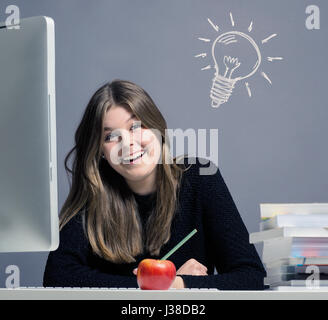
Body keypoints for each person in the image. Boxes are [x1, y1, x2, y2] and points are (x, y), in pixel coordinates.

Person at [43, 79, 266, 290]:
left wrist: (175, 285)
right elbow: (57, 277)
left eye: (136, 126)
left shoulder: (199, 177)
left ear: (157, 129)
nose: (128, 144)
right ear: (100, 151)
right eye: (110, 137)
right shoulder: (94, 193)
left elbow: (251, 276)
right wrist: (162, 283)